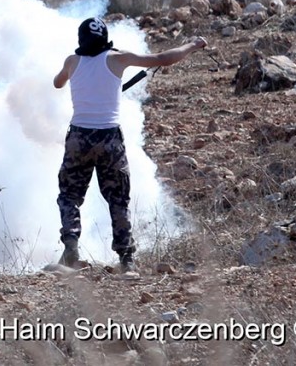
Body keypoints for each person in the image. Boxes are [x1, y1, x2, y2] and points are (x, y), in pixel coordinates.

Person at [53, 16, 207, 272]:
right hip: (109, 137)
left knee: (69, 196)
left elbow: (58, 82)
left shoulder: (72, 61)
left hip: (79, 136)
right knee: (118, 198)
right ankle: (127, 260)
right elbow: (162, 59)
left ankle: (71, 248)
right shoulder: (117, 58)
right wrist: (192, 45)